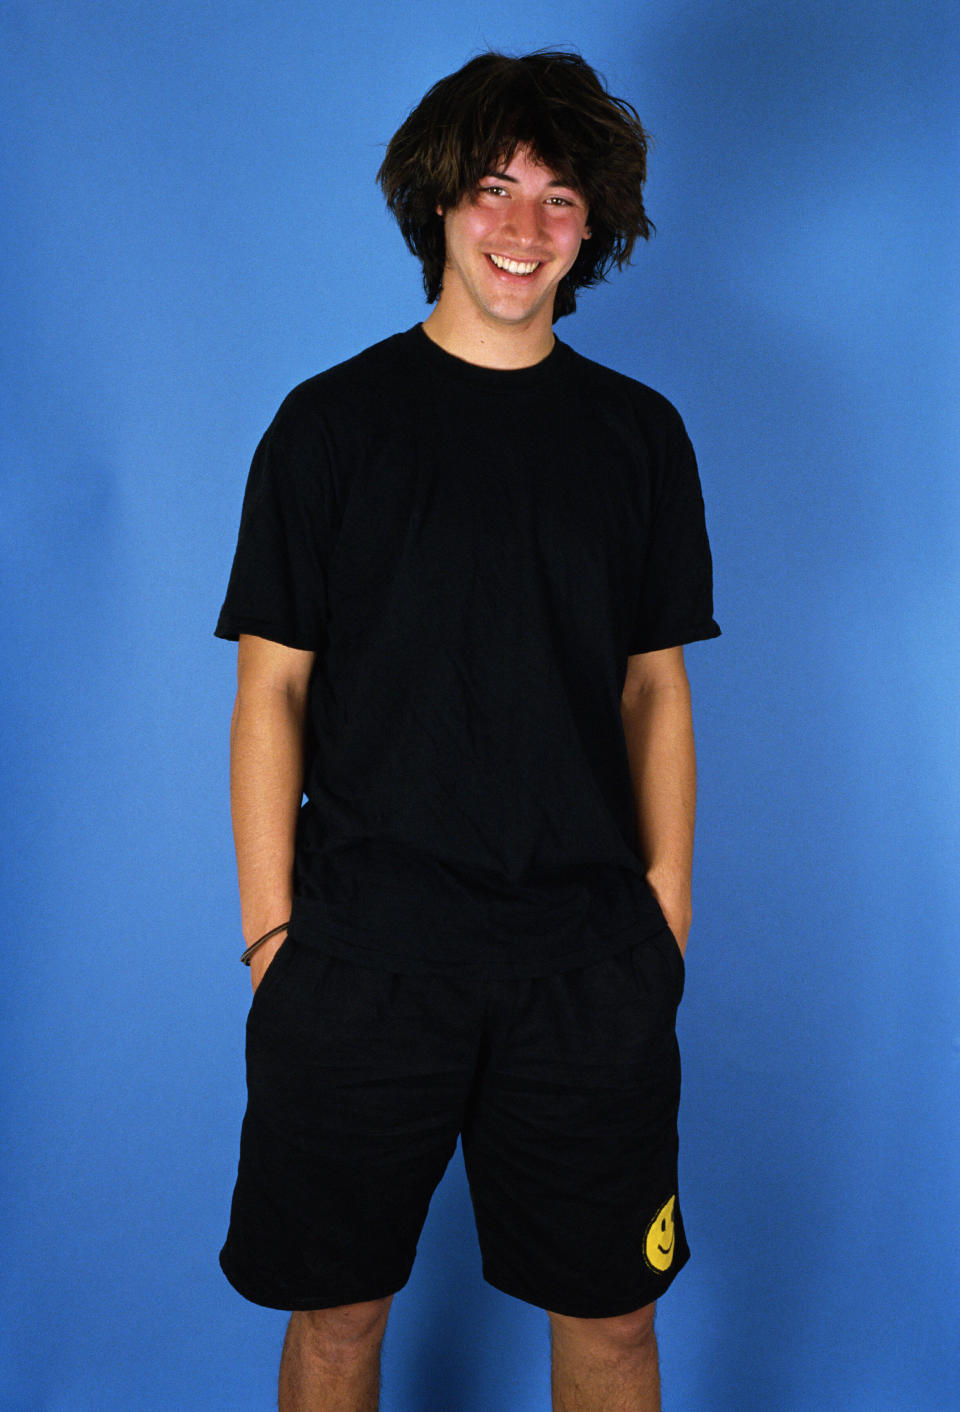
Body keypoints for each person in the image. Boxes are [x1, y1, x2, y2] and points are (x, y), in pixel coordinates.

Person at [216, 48, 720, 1412]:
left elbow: (653, 685)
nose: (522, 227)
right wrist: (273, 935)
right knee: (338, 1326)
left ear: (596, 227)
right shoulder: (328, 429)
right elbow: (270, 690)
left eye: (561, 200)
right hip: (365, 959)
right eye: (493, 189)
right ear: (437, 205)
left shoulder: (639, 439)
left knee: (613, 1327)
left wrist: (663, 909)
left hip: (585, 967)